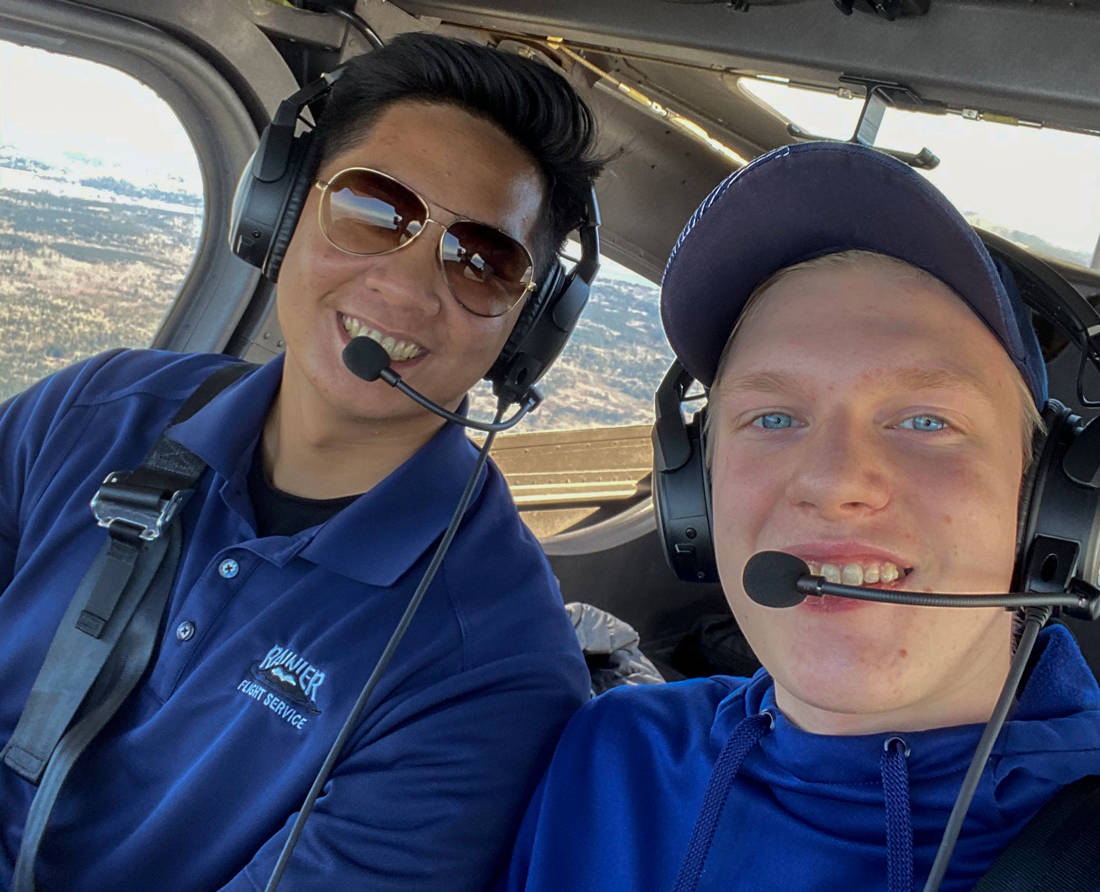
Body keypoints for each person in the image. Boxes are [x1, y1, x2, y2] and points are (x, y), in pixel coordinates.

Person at [0, 33, 603, 891]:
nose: (404, 288)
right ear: (279, 212)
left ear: (526, 328)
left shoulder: (490, 672)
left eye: (481, 260)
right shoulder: (95, 411)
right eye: (373, 209)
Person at [500, 142, 1100, 891]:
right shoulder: (612, 758)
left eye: (924, 421)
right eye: (775, 417)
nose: (835, 481)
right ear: (696, 489)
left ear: (1049, 499)